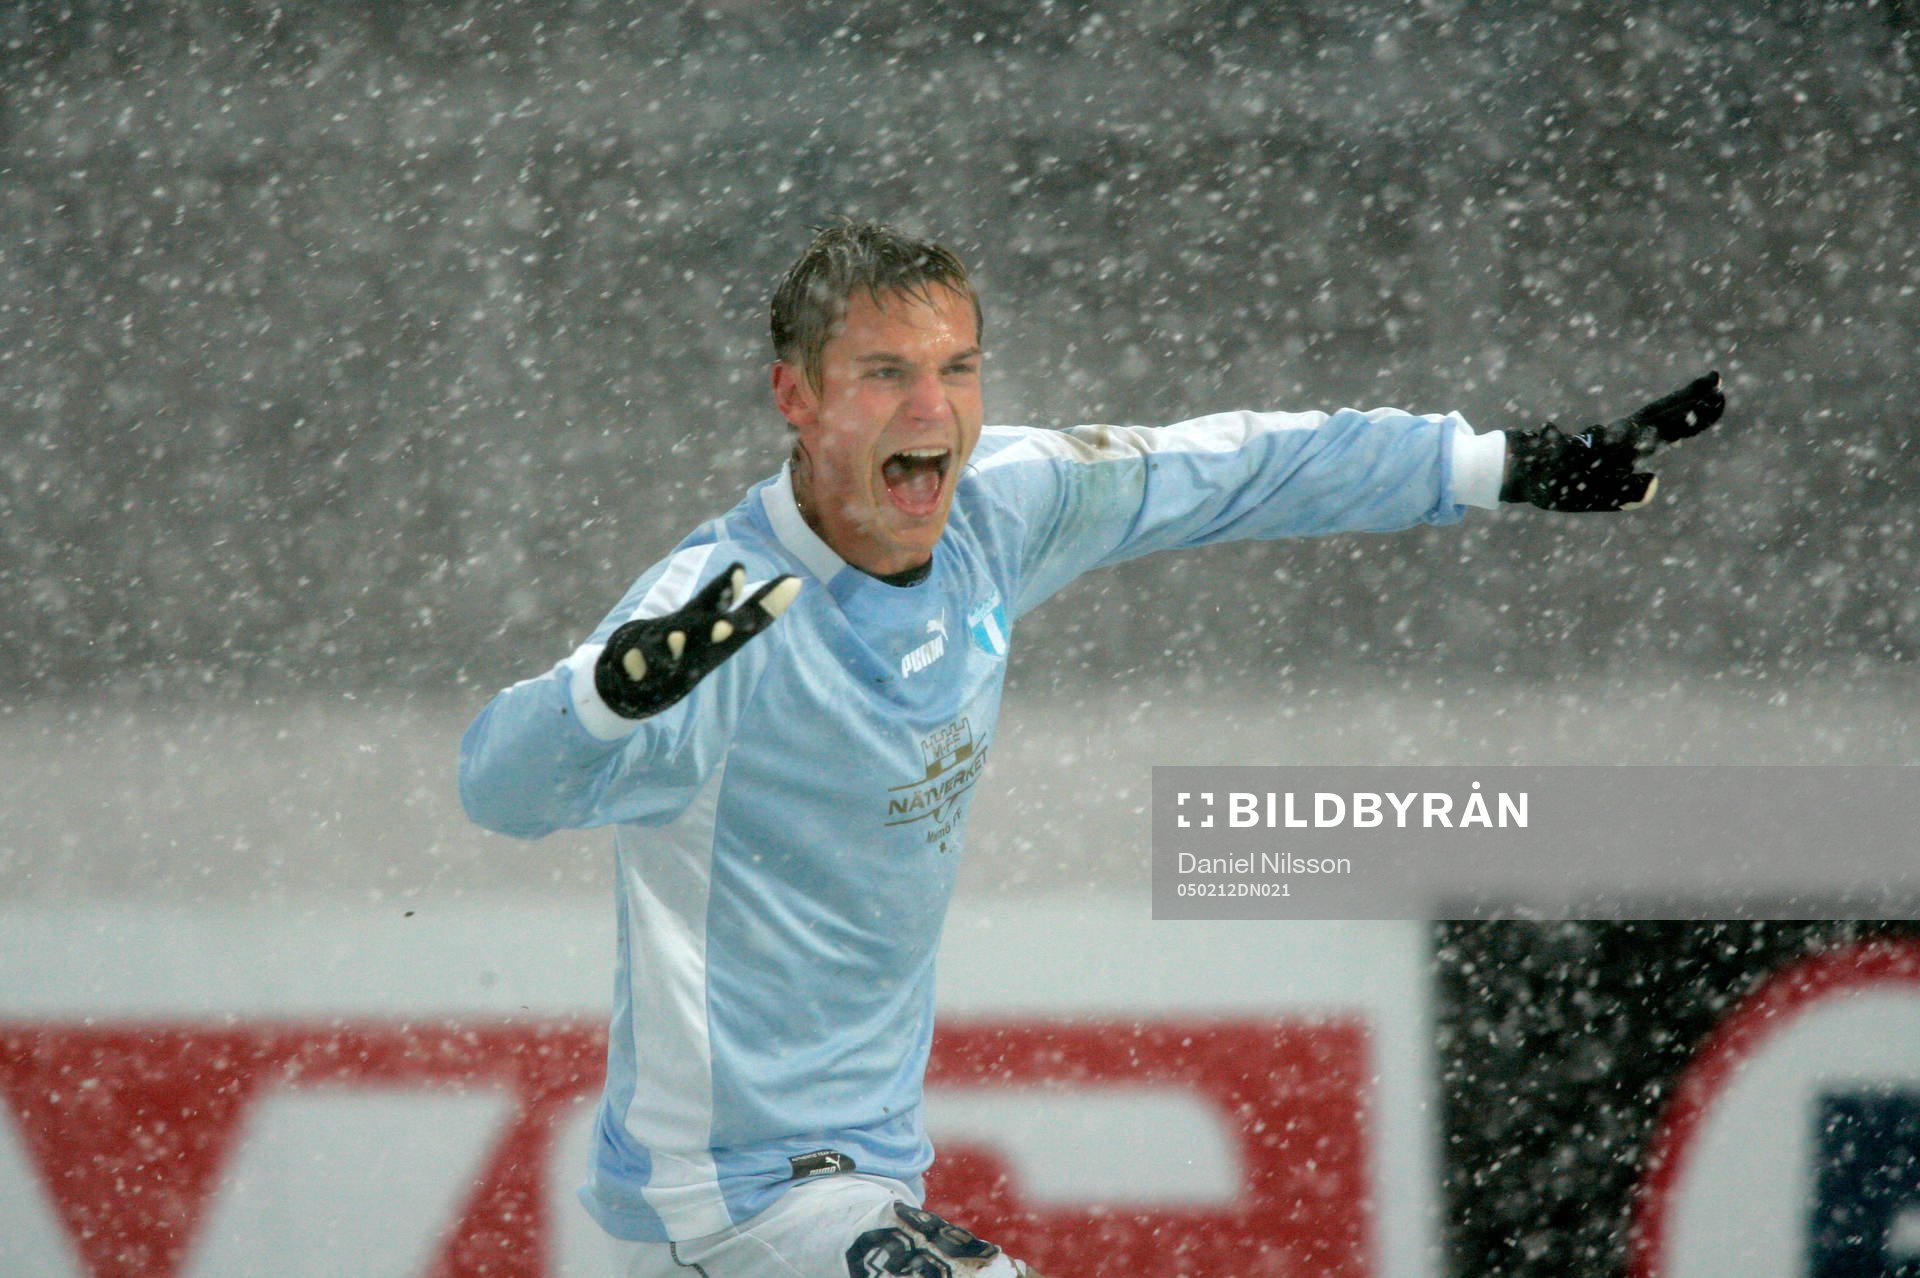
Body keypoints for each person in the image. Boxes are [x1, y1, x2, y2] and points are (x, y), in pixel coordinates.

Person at [458, 220, 1727, 1278]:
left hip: (856, 1175)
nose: (933, 410)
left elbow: (1240, 468)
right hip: (726, 1195)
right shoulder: (713, 611)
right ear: (795, 397)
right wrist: (603, 707)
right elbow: (498, 788)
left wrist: (1504, 463)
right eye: (885, 373)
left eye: (958, 369)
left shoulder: (1000, 509)